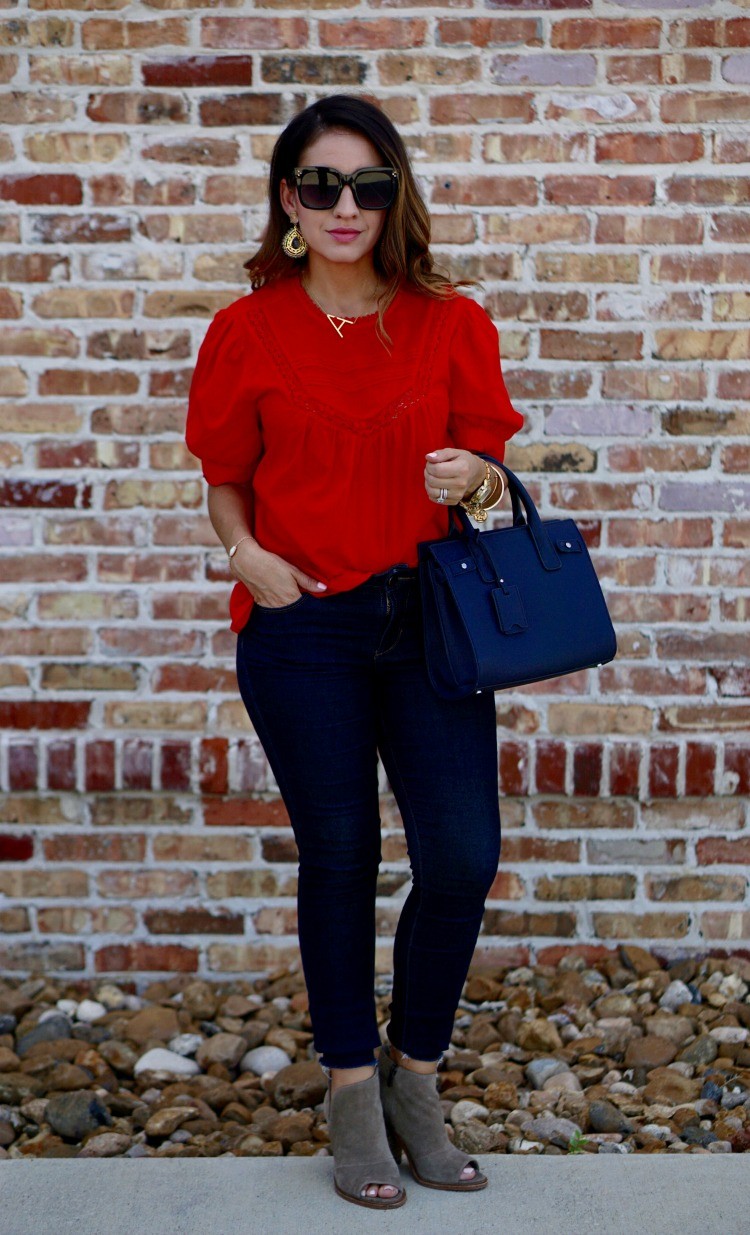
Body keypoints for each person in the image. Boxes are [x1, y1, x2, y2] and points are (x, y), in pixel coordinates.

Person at [185, 93, 524, 1209]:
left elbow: (489, 459)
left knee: (463, 854)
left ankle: (414, 1077)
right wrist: (247, 556)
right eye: (321, 183)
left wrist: (469, 476)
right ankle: (348, 1094)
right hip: (303, 625)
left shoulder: (448, 319)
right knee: (340, 857)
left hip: (427, 619)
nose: (345, 205)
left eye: (367, 184)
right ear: (289, 198)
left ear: (394, 196)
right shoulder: (247, 329)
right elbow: (224, 474)